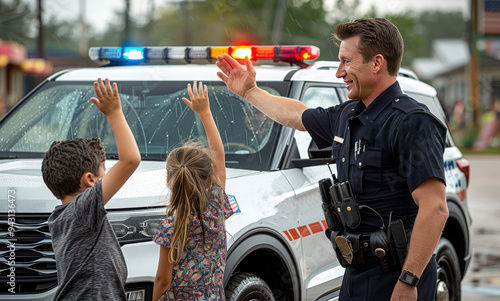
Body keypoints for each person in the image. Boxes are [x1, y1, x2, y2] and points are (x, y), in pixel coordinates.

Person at [216, 18, 448, 301]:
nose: (340, 72)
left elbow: (435, 209)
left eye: (346, 61)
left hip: (397, 278)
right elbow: (295, 115)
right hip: (354, 273)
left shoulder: (412, 123)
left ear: (376, 63)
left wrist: (409, 281)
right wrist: (250, 92)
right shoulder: (349, 116)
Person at [42, 78, 141, 300]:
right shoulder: (82, 209)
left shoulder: (62, 217)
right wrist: (115, 113)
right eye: (104, 171)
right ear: (90, 180)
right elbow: (130, 160)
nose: (109, 177)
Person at [153, 81, 234, 300]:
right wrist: (205, 113)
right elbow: (219, 157)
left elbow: (163, 280)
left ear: (169, 179)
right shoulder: (217, 206)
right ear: (209, 178)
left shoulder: (171, 226)